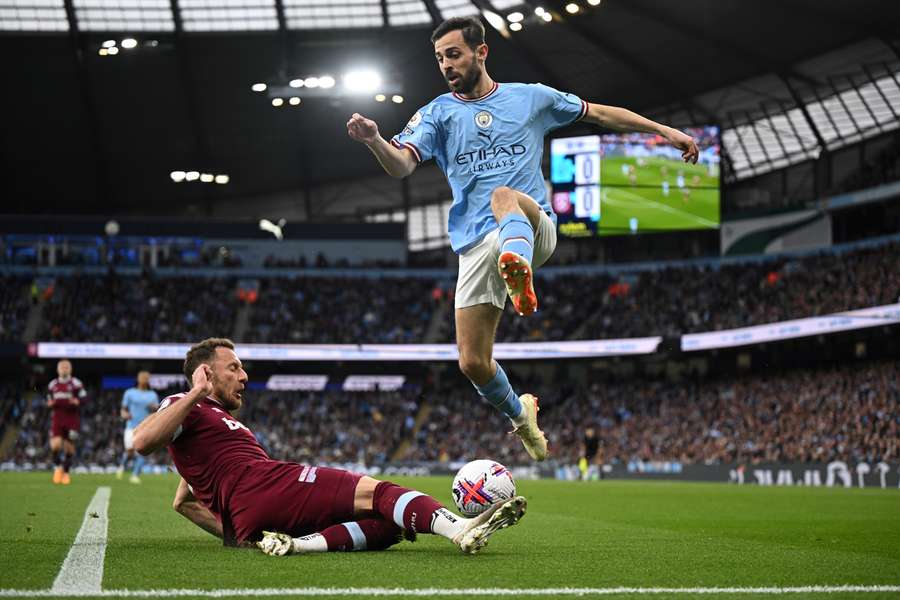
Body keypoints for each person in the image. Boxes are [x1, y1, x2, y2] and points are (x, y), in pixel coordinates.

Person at [346, 16, 699, 462]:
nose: (446, 65)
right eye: (439, 58)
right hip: (476, 246)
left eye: (453, 54)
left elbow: (600, 112)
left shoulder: (531, 98)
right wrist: (375, 139)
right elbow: (400, 165)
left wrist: (663, 131)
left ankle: (518, 268)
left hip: (533, 227)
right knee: (472, 362)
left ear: (481, 52)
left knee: (504, 194)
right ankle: (521, 416)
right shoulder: (436, 113)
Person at [132, 338, 525, 555]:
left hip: (255, 508)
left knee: (386, 527)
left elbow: (183, 501)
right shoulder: (187, 404)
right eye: (233, 367)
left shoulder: (213, 426)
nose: (243, 375)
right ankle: (459, 529)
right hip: (265, 484)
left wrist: (237, 533)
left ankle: (296, 546)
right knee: (380, 491)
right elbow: (142, 441)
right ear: (204, 372)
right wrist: (196, 392)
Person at [46, 359, 86, 485]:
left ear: (70, 369)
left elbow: (84, 398)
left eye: (66, 367)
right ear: (58, 369)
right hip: (57, 418)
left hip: (72, 419)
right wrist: (49, 403)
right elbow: (48, 398)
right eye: (62, 367)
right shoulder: (52, 384)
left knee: (69, 448)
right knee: (56, 446)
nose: (64, 369)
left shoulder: (76, 383)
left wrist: (78, 401)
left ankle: (66, 473)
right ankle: (58, 468)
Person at [117, 370, 159, 483]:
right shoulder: (129, 392)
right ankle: (122, 465)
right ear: (138, 379)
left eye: (146, 377)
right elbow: (123, 409)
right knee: (130, 450)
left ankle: (135, 475)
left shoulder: (153, 395)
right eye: (142, 377)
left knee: (142, 451)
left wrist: (154, 408)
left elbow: (157, 411)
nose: (144, 379)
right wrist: (124, 414)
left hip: (145, 426)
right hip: (131, 426)